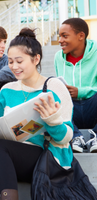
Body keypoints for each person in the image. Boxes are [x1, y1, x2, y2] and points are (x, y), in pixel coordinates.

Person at [0, 28, 73, 200]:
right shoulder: (7, 90)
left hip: (46, 157)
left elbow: (66, 137)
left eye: (19, 61)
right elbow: (3, 128)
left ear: (36, 59)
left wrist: (51, 120)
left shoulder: (53, 87)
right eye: (11, 62)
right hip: (9, 155)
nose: (14, 67)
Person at [54, 18, 97, 153]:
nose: (60, 40)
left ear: (81, 36)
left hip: (93, 106)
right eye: (59, 36)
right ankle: (76, 137)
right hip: (71, 111)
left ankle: (95, 136)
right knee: (52, 95)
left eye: (64, 36)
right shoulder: (58, 57)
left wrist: (81, 91)